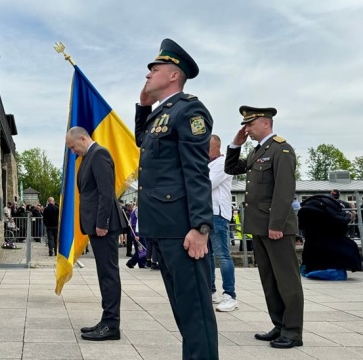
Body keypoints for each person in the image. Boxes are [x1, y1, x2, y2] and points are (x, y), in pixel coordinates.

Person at [135, 38, 218, 359]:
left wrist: (200, 227)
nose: (147, 75)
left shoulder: (190, 110)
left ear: (172, 74)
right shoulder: (162, 113)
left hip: (183, 228)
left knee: (195, 313)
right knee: (184, 312)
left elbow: (197, 171)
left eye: (153, 69)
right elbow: (144, 142)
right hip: (164, 227)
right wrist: (143, 107)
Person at [224, 105, 304, 349]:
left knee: (287, 281)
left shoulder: (282, 149)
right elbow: (230, 168)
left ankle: (293, 332)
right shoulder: (259, 151)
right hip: (259, 226)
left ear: (265, 123)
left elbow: (284, 190)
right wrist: (235, 145)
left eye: (250, 124)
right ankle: (279, 325)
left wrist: (277, 224)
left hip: (275, 227)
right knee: (269, 280)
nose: (246, 129)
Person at [65, 126, 125, 341]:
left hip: (104, 226)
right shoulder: (89, 156)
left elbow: (106, 192)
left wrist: (103, 223)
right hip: (97, 225)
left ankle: (111, 325)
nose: (73, 152)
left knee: (109, 274)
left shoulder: (99, 153)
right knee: (104, 274)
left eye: (73, 147)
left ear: (83, 138)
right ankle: (107, 320)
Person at [208, 134, 239, 312]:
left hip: (218, 213)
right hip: (206, 213)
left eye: (207, 146)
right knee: (208, 255)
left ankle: (230, 295)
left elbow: (207, 183)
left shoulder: (223, 163)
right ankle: (212, 291)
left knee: (223, 255)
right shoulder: (207, 164)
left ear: (216, 147)